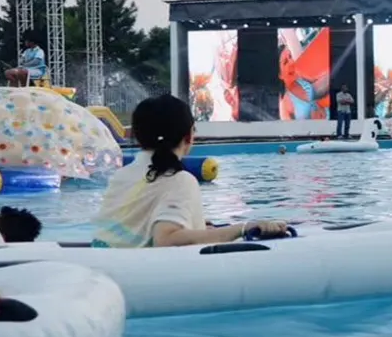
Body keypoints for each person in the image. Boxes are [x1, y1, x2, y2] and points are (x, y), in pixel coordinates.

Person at [92, 94, 289, 248]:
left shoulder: (121, 175)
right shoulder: (179, 180)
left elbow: (134, 231)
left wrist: (200, 228)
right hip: (139, 275)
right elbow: (166, 239)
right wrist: (243, 228)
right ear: (188, 136)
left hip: (103, 264)